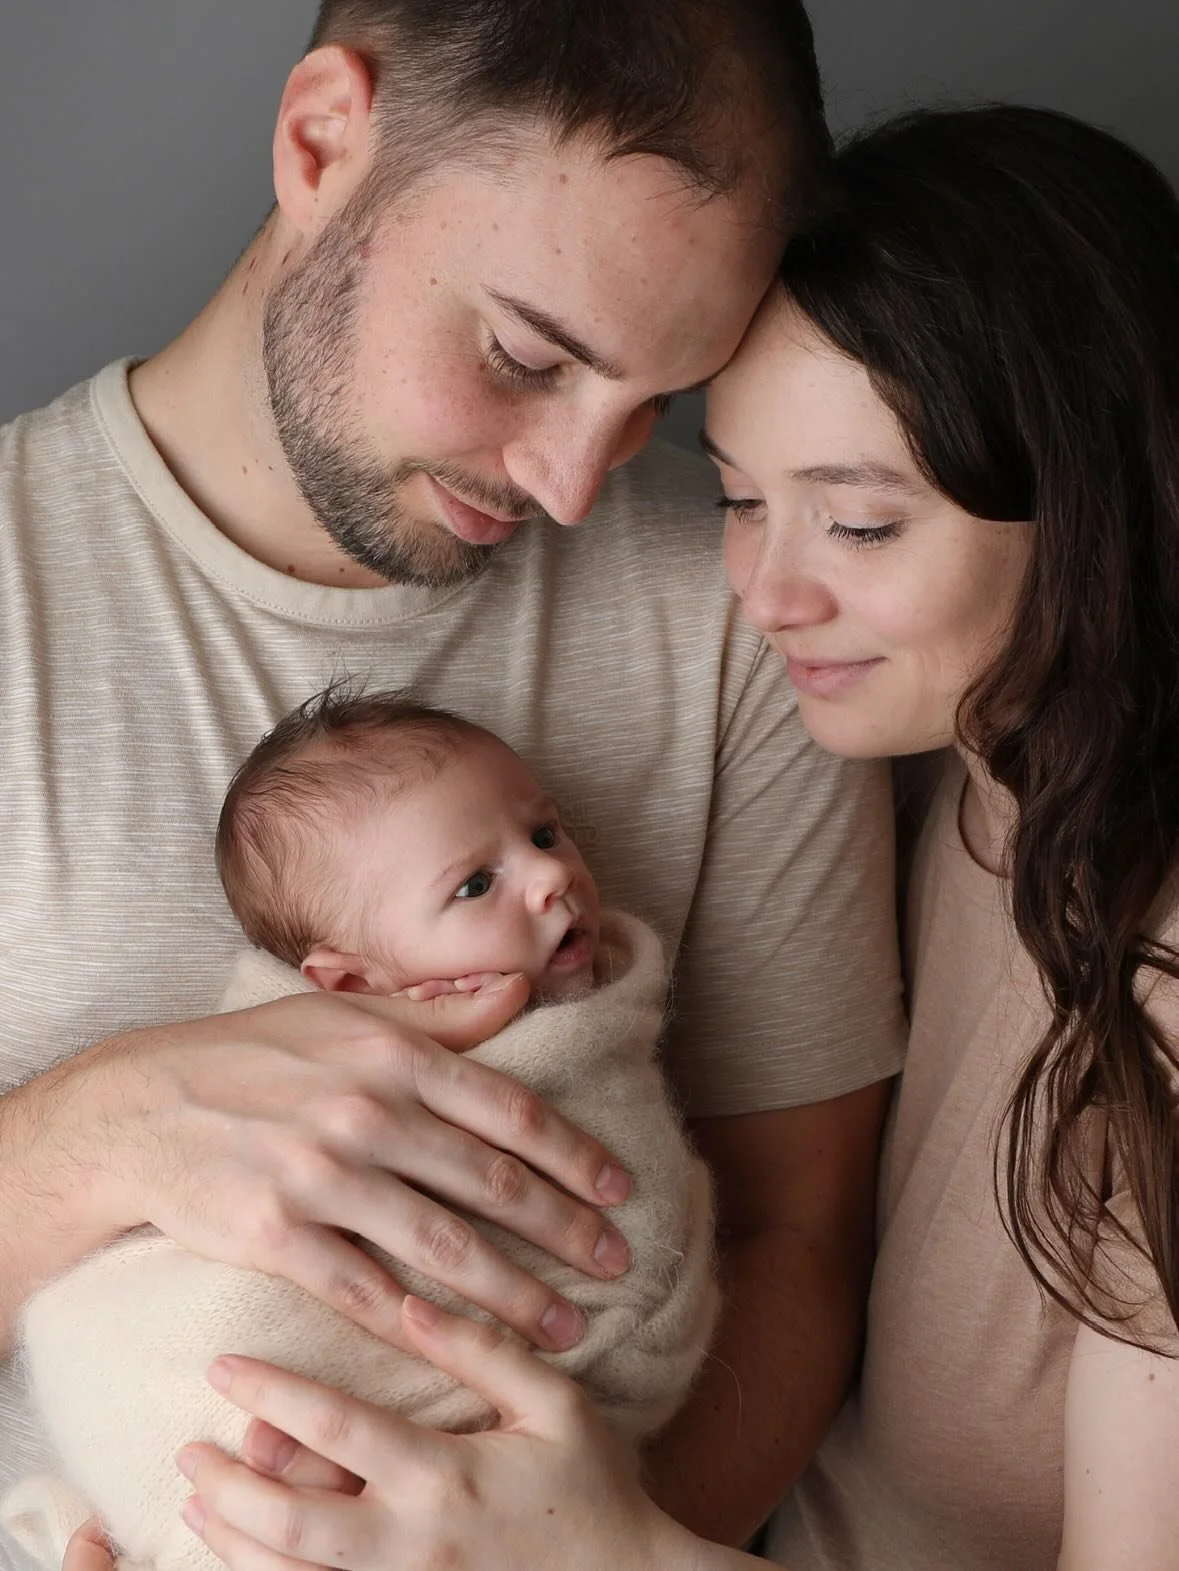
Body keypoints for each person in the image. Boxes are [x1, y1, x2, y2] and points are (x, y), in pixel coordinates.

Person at [151, 104, 1179, 1571]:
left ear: (1099, 501)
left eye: (861, 526)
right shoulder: (981, 770)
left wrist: (606, 1550)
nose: (764, 597)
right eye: (738, 499)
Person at [0, 3, 908, 1564]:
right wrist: (95, 1133)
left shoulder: (746, 599)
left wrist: (567, 1548)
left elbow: (793, 1237)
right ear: (319, 141)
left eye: (650, 410)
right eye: (525, 355)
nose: (567, 482)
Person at [5, 690, 716, 1571]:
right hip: (189, 1366)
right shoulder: (271, 1048)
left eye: (542, 831)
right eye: (473, 884)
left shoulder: (591, 1021)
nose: (551, 877)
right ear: (346, 983)